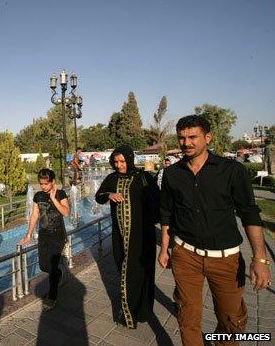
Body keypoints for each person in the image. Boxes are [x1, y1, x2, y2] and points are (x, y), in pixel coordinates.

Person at [158, 115, 271, 346]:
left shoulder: (231, 171)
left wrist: (260, 258)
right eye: (181, 138)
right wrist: (164, 249)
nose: (186, 143)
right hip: (185, 256)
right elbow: (167, 214)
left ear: (208, 137)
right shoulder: (172, 174)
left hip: (226, 259)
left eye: (192, 137)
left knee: (231, 321)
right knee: (187, 315)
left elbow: (249, 213)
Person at [95, 145, 159, 329]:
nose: (119, 165)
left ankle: (137, 311)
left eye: (122, 161)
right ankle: (131, 308)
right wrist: (109, 194)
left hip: (142, 236)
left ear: (130, 159)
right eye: (115, 162)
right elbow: (98, 197)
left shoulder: (143, 177)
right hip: (120, 236)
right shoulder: (112, 178)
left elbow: (157, 202)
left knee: (140, 271)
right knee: (124, 269)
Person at [19, 168, 70, 310]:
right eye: (41, 184)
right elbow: (34, 215)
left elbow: (66, 212)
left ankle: (52, 297)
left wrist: (54, 199)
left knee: (52, 267)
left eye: (46, 184)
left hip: (58, 235)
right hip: (44, 235)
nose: (43, 186)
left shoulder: (61, 194)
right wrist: (28, 234)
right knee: (44, 266)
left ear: (52, 182)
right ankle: (59, 272)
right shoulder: (38, 196)